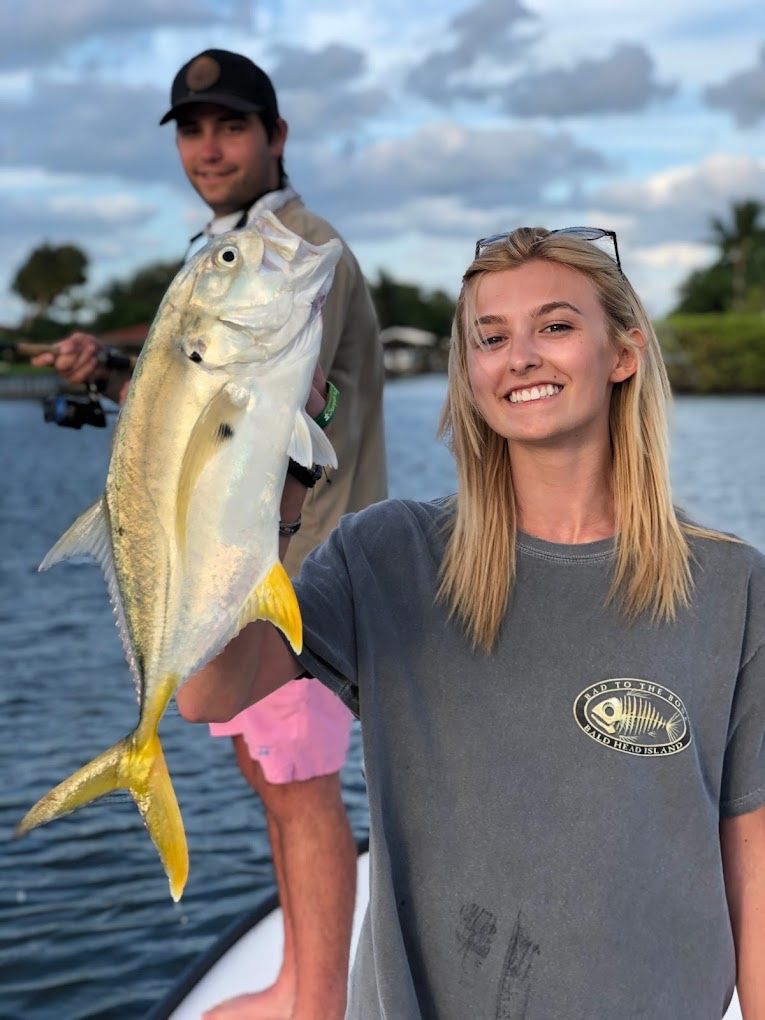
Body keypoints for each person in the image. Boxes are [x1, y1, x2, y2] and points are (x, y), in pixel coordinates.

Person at [177, 225, 765, 1019]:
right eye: (489, 338)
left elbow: (752, 860)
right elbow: (210, 692)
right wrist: (276, 468)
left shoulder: (732, 585)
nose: (519, 357)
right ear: (471, 373)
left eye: (554, 326)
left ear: (622, 354)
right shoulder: (386, 555)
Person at [32, 49, 387, 1020]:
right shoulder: (225, 248)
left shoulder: (294, 250)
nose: (210, 147)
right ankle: (298, 978)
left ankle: (316, 1004)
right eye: (193, 129)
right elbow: (211, 406)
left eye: (233, 126)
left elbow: (280, 397)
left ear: (277, 136)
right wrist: (116, 372)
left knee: (300, 782)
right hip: (242, 566)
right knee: (267, 771)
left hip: (306, 570)